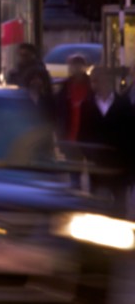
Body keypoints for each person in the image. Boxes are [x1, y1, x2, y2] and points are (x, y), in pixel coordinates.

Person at [80, 66, 135, 215]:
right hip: (97, 167)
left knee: (119, 206)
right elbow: (83, 134)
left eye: (96, 81)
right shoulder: (87, 105)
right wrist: (89, 155)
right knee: (97, 206)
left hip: (119, 167)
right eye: (92, 81)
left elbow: (130, 136)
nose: (94, 85)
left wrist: (129, 166)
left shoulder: (123, 105)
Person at [53, 54, 94, 142]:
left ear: (84, 67)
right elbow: (59, 111)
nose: (76, 68)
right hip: (69, 134)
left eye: (79, 65)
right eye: (74, 65)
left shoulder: (92, 87)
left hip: (88, 134)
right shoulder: (65, 88)